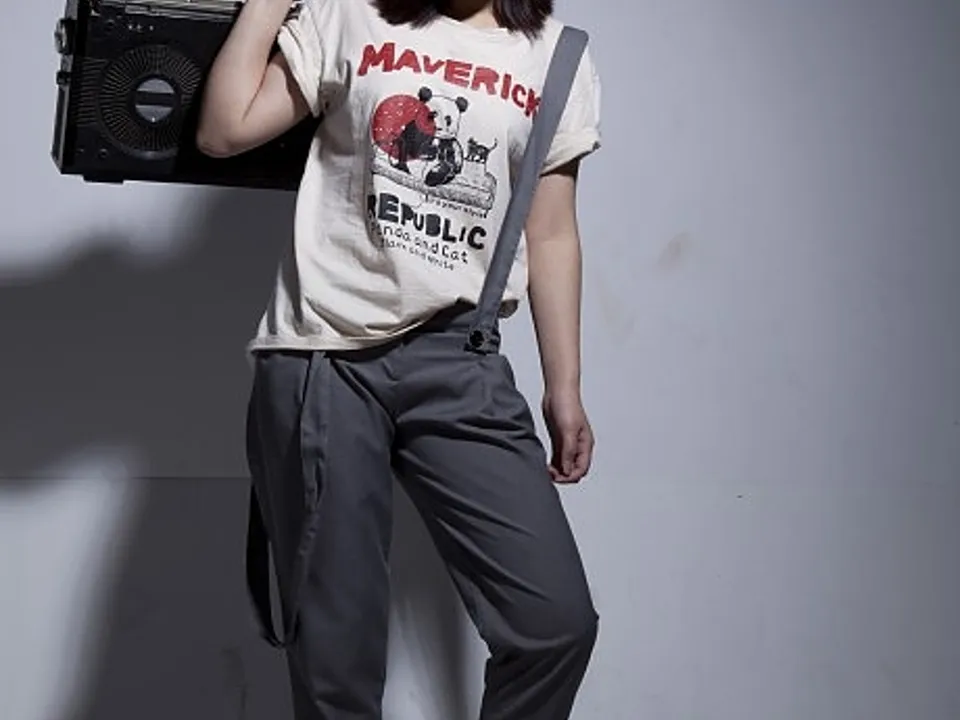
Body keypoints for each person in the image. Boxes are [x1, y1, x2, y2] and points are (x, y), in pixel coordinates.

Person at [196, 0, 602, 717]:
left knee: (555, 625)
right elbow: (223, 130)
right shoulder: (351, 14)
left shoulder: (556, 56)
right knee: (337, 657)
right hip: (326, 354)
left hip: (460, 359)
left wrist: (563, 385)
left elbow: (551, 233)